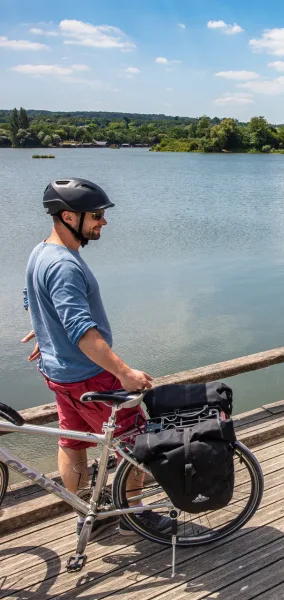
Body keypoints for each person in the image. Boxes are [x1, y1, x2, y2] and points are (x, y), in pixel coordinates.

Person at [22, 178, 161, 536]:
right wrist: (124, 372)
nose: (103, 222)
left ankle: (86, 511)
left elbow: (32, 299)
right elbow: (83, 332)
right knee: (134, 439)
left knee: (73, 441)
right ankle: (134, 514)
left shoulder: (41, 252)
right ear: (69, 216)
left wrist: (44, 330)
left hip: (58, 373)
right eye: (96, 215)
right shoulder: (65, 266)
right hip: (90, 374)